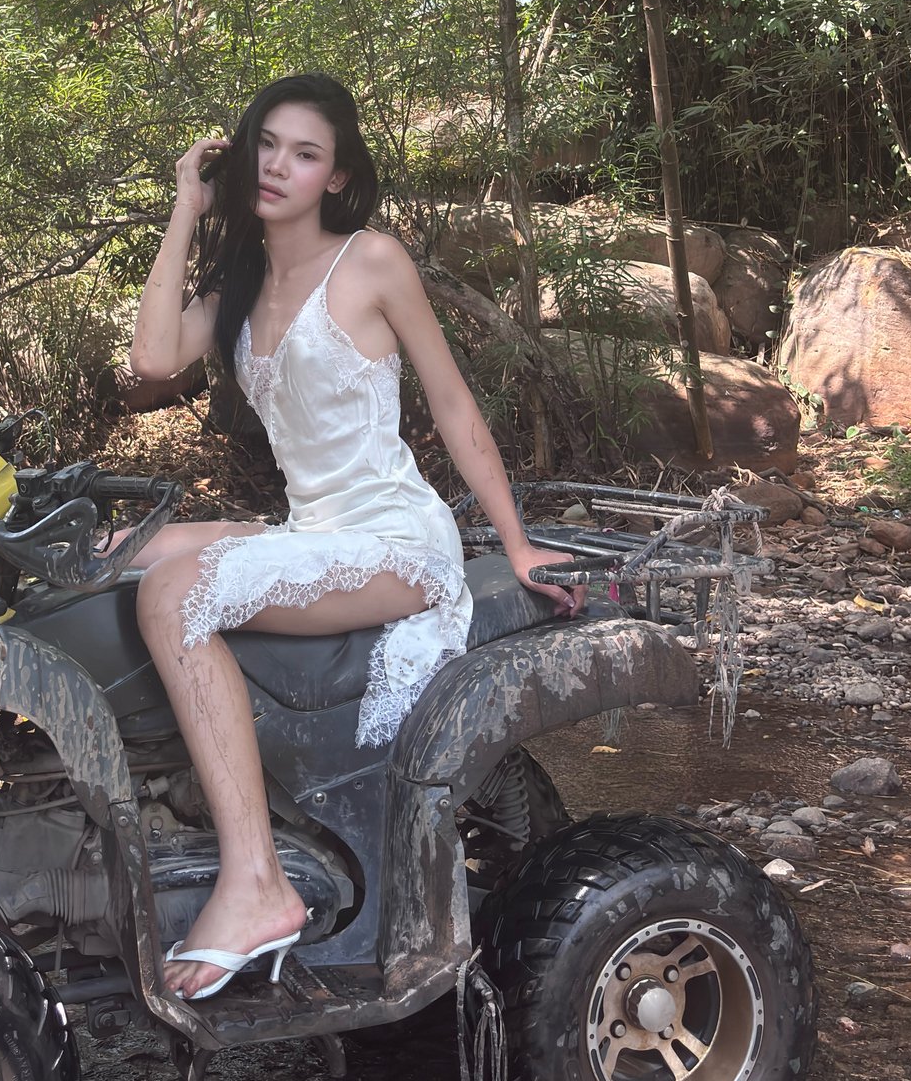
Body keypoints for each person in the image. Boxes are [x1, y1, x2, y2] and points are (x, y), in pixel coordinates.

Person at [127, 73, 585, 1002]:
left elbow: (452, 403)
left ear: (336, 177)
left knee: (172, 594)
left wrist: (516, 543)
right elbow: (150, 358)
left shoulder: (371, 261)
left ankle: (257, 881)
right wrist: (185, 208)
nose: (278, 166)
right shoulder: (239, 283)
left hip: (393, 540)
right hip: (315, 528)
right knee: (127, 555)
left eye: (306, 154)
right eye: (267, 145)